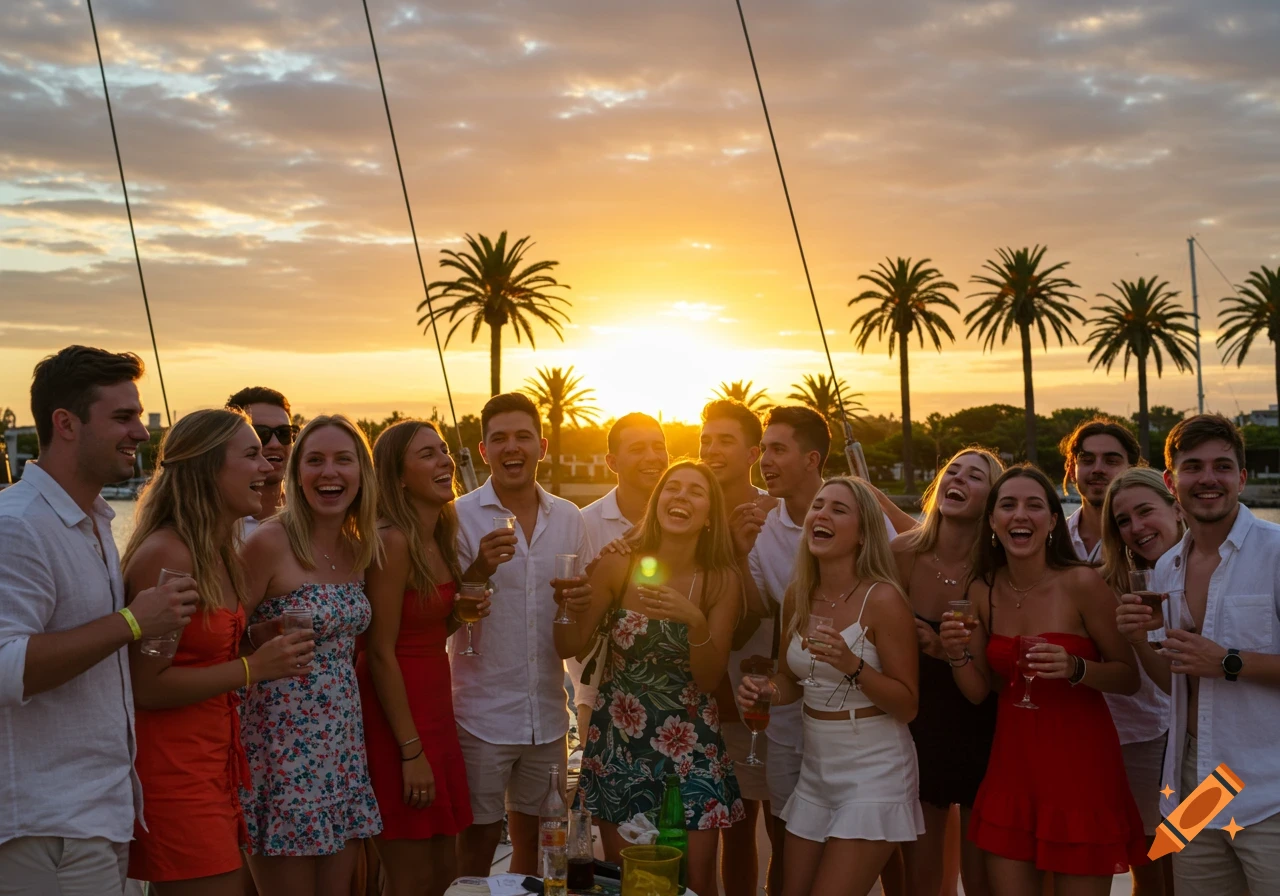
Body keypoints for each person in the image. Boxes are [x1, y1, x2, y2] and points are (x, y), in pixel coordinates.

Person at [0, 346, 198, 895]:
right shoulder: (18, 527)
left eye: (138, 415)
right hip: (47, 829)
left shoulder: (89, 521)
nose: (140, 431)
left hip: (100, 817)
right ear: (66, 423)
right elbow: (4, 668)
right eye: (122, 417)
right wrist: (134, 623)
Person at [121, 408, 315, 894]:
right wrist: (253, 667)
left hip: (220, 765)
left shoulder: (217, 550)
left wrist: (253, 638)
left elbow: (198, 652)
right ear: (208, 468)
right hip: (176, 775)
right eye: (251, 455)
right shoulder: (170, 556)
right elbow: (147, 686)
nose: (269, 467)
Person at [942, 465, 1147, 895]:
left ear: (1053, 520)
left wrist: (1076, 669)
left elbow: (1129, 678)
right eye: (1008, 505)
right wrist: (956, 651)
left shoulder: (1082, 583)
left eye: (1035, 505)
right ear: (994, 521)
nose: (1021, 515)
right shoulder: (982, 589)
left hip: (1081, 771)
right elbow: (979, 691)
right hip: (1012, 770)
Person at [563, 460, 745, 896]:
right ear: (657, 500)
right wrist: (567, 601)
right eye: (672, 488)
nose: (680, 497)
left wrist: (695, 622)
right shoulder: (618, 565)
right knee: (629, 880)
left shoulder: (722, 580)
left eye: (695, 492)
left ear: (708, 515)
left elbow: (707, 680)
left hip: (692, 750)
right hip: (618, 747)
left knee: (697, 882)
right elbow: (568, 645)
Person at [1116, 414, 1280, 895]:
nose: (1208, 478)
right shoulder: (1167, 567)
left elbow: (1215, 662)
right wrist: (1140, 638)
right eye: (1193, 467)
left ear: (1241, 478)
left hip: (1269, 780)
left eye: (1222, 466)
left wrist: (1228, 661)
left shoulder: (1275, 554)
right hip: (1193, 781)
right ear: (1172, 481)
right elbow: (1174, 681)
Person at [739, 476, 923, 896]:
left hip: (875, 771)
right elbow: (792, 681)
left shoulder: (883, 600)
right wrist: (767, 690)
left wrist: (851, 664)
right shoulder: (798, 595)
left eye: (839, 510)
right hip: (817, 770)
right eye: (819, 506)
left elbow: (908, 704)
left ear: (863, 534)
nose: (821, 515)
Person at [239, 415, 384, 895]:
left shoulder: (358, 548)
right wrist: (259, 636)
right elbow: (217, 640)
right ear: (296, 475)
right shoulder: (268, 542)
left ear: (361, 472)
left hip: (341, 748)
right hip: (281, 753)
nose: (330, 473)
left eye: (344, 460)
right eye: (315, 460)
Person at [451, 393, 592, 877]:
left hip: (550, 716)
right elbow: (441, 612)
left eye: (523, 437)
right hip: (479, 714)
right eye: (500, 439)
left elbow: (580, 611)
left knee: (537, 848)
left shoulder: (570, 517)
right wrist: (479, 568)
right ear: (484, 450)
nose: (513, 447)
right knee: (475, 847)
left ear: (542, 445)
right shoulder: (457, 516)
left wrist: (577, 604)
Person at [357, 420, 485, 896]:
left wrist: (459, 613)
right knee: (410, 881)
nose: (445, 460)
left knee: (443, 876)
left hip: (436, 708)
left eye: (443, 450)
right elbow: (379, 653)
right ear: (396, 478)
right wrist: (410, 752)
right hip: (398, 718)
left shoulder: (439, 533)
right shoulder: (391, 541)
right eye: (427, 454)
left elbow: (428, 630)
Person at [891, 447, 1003, 896]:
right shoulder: (901, 553)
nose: (958, 479)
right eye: (952, 472)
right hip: (917, 722)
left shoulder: (997, 571)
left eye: (975, 476)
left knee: (981, 879)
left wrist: (941, 648)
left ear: (992, 499)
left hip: (984, 725)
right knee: (921, 876)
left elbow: (999, 668)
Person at [727, 405, 828, 895]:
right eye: (763, 449)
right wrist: (740, 553)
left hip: (859, 722)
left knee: (871, 845)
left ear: (811, 458)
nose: (764, 460)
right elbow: (760, 611)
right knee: (787, 842)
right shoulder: (764, 528)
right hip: (789, 720)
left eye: (778, 449)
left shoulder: (857, 513)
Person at [698, 398, 777, 895]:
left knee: (784, 822)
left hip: (773, 687)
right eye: (705, 439)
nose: (711, 449)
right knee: (736, 823)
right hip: (710, 691)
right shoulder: (692, 513)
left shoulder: (777, 513)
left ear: (753, 453)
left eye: (725, 440)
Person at [1098, 467, 1180, 896]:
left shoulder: (1216, 571)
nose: (1136, 528)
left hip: (1214, 751)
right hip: (1144, 744)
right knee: (1152, 864)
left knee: (1205, 862)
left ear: (1175, 504)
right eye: (1123, 521)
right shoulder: (1115, 583)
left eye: (1145, 511)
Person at [573, 413, 668, 752]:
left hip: (673, 690)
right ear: (612, 462)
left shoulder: (688, 521)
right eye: (638, 448)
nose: (652, 457)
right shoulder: (584, 524)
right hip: (600, 692)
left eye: (659, 447)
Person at [1059, 417, 1142, 563]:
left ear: (1132, 470)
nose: (1098, 469)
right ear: (1072, 470)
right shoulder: (1053, 541)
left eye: (1111, 461)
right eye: (1087, 460)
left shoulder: (1143, 538)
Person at [226, 387, 298, 538]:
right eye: (260, 433)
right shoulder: (211, 526)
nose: (275, 444)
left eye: (284, 433)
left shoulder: (310, 515)